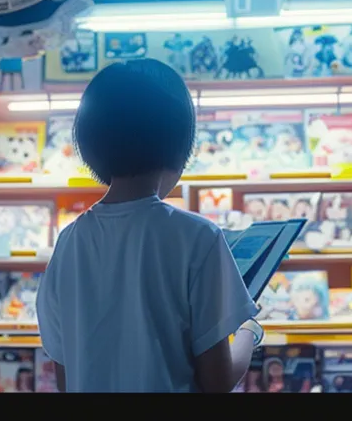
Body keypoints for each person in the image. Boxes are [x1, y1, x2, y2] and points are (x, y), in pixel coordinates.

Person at [36, 59, 263, 392]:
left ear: (91, 142)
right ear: (178, 143)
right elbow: (218, 382)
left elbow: (65, 376)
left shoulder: (69, 241)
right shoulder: (198, 237)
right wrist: (249, 332)